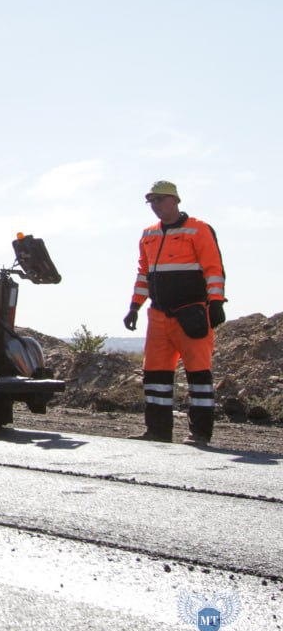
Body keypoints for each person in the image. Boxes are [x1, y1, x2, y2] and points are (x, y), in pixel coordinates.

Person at [123, 180, 226, 447]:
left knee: (199, 375)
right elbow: (144, 275)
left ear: (174, 200)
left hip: (191, 313)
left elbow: (213, 268)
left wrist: (215, 302)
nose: (155, 206)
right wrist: (135, 306)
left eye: (159, 200)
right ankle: (157, 432)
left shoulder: (199, 229)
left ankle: (199, 434)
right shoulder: (148, 234)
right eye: (151, 201)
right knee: (155, 374)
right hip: (158, 316)